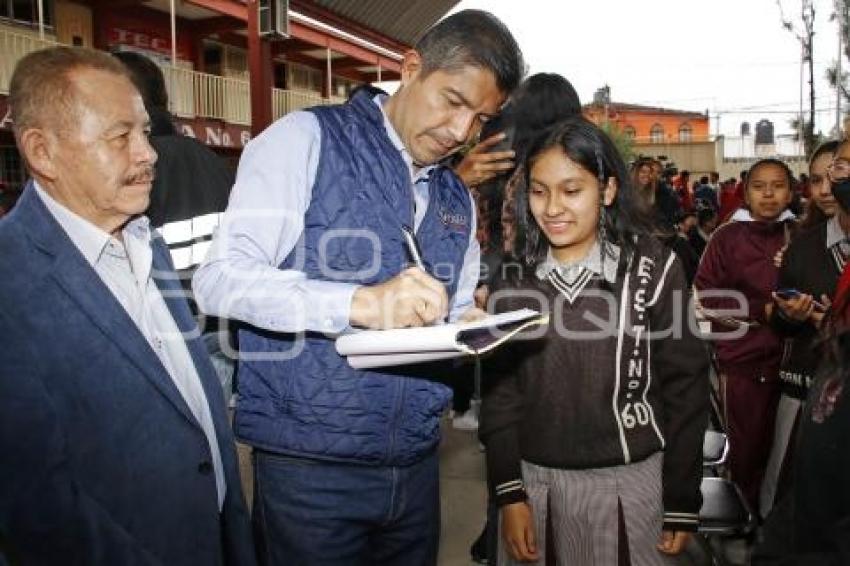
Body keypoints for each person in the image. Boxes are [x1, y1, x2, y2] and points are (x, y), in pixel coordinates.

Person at [193, 10, 523, 565]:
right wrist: (358, 303)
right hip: (311, 469)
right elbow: (219, 279)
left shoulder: (455, 200)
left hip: (417, 461)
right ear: (411, 68)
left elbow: (456, 313)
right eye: (452, 101)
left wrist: (473, 327)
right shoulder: (304, 140)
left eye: (481, 119)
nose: (462, 132)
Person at [0, 47, 254, 565]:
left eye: (143, 131)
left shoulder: (143, 238)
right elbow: (38, 507)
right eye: (121, 137)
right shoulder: (11, 279)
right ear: (42, 152)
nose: (148, 153)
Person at [479, 116, 709, 565]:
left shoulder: (655, 267)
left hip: (632, 484)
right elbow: (500, 395)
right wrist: (509, 494)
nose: (552, 208)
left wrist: (682, 499)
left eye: (571, 190)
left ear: (606, 191)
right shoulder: (513, 278)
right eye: (539, 191)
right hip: (535, 484)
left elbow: (687, 387)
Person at [113, 50, 237, 400]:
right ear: (163, 97)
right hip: (220, 326)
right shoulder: (209, 159)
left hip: (166, 337)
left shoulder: (130, 169)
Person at [753, 174, 850, 565]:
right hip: (809, 394)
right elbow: (777, 317)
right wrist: (800, 318)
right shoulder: (804, 248)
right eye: (829, 174)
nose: (829, 188)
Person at [694, 158, 796, 514]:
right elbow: (705, 296)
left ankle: (774, 526)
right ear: (745, 193)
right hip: (742, 361)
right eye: (759, 186)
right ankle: (743, 521)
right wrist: (759, 310)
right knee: (745, 450)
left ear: (792, 192)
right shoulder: (727, 236)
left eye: (778, 185)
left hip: (792, 364)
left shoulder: (799, 233)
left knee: (783, 453)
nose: (769, 194)